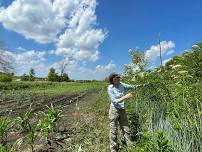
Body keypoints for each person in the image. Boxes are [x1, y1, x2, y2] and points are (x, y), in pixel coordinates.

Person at [107, 72, 143, 152]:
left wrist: (140, 86)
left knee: (126, 128)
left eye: (119, 77)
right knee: (113, 129)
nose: (120, 79)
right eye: (118, 78)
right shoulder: (110, 88)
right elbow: (114, 101)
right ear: (113, 79)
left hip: (122, 109)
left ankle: (130, 147)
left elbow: (131, 87)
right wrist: (125, 97)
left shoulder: (121, 84)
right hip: (114, 110)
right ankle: (113, 148)